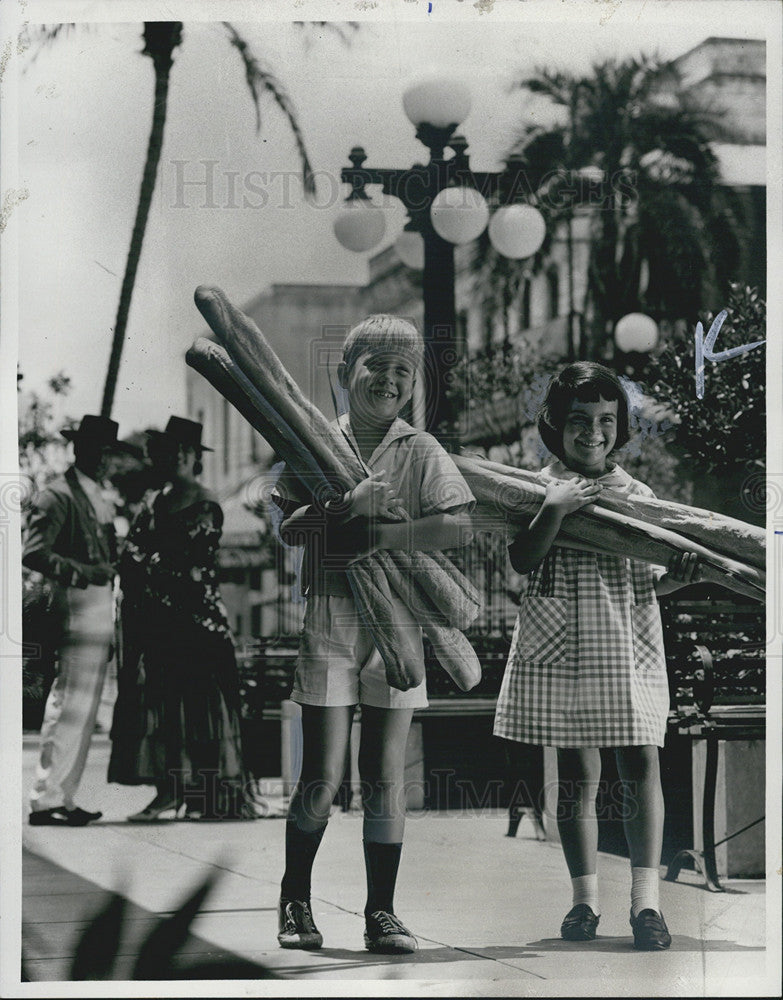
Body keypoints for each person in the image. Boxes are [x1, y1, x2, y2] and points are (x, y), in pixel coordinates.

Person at [272, 315, 474, 954]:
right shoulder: (310, 441)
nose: (389, 380)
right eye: (375, 367)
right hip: (332, 612)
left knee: (386, 773)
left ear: (413, 384)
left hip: (399, 618)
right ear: (343, 373)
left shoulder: (419, 448)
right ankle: (296, 898)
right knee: (323, 776)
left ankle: (380, 912)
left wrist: (383, 535)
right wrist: (344, 508)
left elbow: (458, 526)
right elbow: (289, 526)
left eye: (403, 372)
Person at [494, 362, 699, 951]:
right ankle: (584, 901)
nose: (593, 432)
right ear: (555, 425)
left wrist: (677, 580)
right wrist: (554, 508)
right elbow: (522, 561)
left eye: (606, 421)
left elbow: (647, 583)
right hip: (562, 644)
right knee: (578, 775)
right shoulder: (534, 489)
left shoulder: (639, 497)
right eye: (579, 420)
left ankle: (646, 904)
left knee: (639, 764)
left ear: (621, 427)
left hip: (625, 643)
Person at [108, 416, 256, 821]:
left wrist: (145, 561)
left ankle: (205, 797)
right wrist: (142, 561)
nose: (164, 459)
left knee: (200, 707)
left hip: (198, 624)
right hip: (158, 622)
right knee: (163, 706)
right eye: (160, 452)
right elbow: (134, 554)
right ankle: (168, 793)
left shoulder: (206, 503)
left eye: (173, 452)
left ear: (191, 456)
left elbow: (185, 560)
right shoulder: (155, 500)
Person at [24, 414, 124, 826]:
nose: (105, 461)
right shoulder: (58, 495)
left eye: (108, 453)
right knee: (69, 703)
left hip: (98, 607)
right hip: (75, 605)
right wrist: (86, 572)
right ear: (80, 450)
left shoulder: (94, 494)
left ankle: (62, 795)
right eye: (100, 452)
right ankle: (46, 798)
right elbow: (33, 552)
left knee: (83, 706)